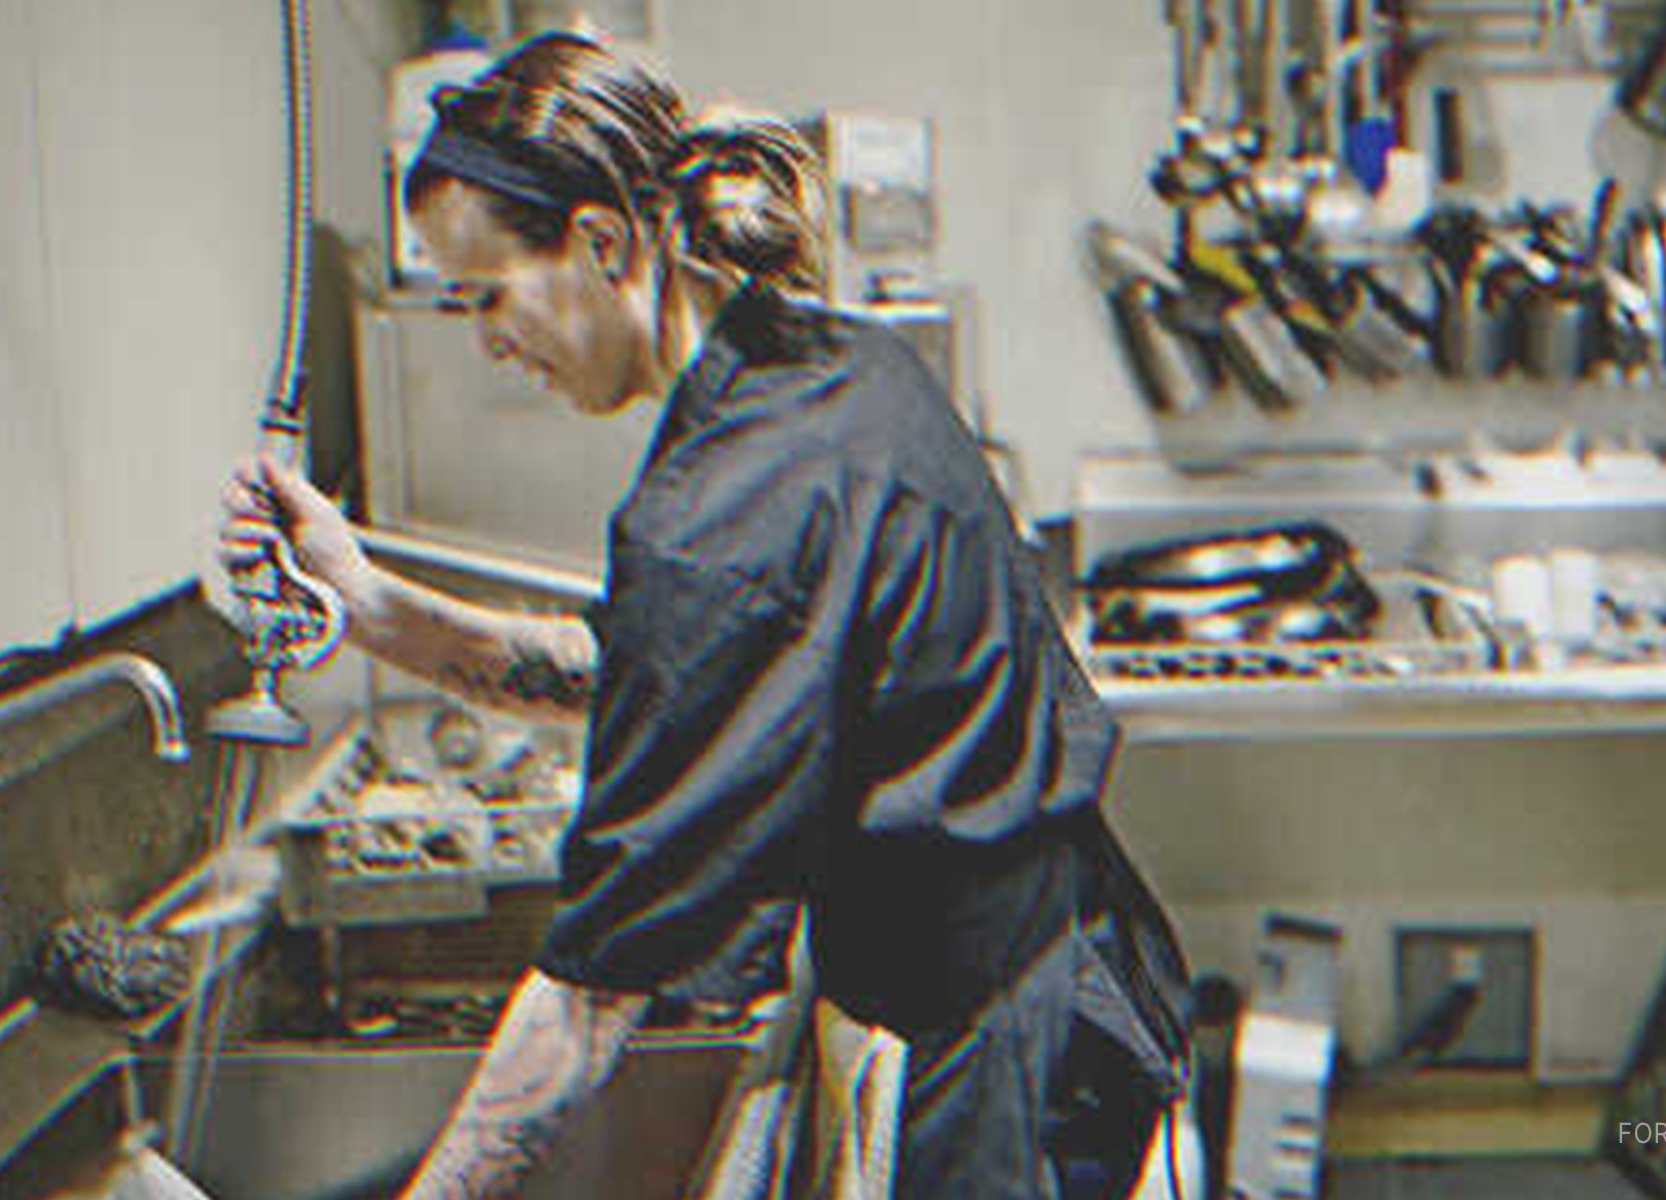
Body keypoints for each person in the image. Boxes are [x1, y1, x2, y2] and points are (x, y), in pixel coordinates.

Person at [218, 32, 1191, 1200]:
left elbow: (593, 995)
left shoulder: (721, 513)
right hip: (1067, 989)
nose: (486, 340)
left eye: (489, 295)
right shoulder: (830, 367)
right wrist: (370, 606)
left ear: (601, 241)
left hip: (992, 1067)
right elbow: (649, 671)